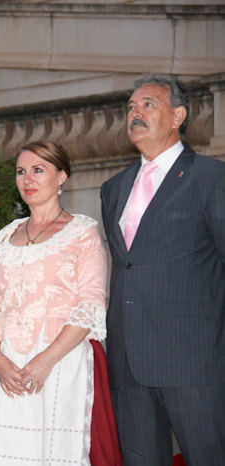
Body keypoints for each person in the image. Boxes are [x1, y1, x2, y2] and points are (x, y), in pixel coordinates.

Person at [100, 74, 225, 465]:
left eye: (148, 105)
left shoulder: (212, 178)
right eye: (131, 108)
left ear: (178, 116)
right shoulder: (112, 188)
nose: (136, 113)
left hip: (195, 364)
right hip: (128, 368)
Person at [0, 140, 109, 464]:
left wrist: (45, 361)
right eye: (20, 171)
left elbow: (89, 305)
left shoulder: (83, 232)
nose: (27, 179)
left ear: (61, 177)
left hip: (60, 366)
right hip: (2, 369)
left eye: (38, 170)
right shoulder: (5, 236)